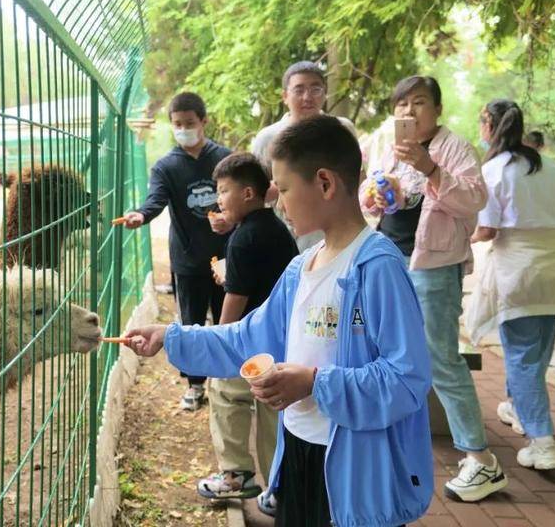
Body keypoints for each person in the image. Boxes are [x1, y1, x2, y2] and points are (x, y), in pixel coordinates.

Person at [126, 116, 434, 527]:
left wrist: (313, 382)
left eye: (284, 188)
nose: (278, 199)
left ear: (324, 183)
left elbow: (407, 379)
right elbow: (247, 339)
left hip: (354, 469)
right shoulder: (300, 268)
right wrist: (170, 336)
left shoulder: (377, 269)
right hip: (298, 452)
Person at [360, 75, 507, 502]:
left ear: (437, 109)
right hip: (388, 259)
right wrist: (373, 197)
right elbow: (369, 196)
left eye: (419, 103)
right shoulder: (388, 146)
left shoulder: (456, 148)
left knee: (441, 359)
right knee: (382, 350)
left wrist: (430, 169)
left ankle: (480, 460)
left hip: (434, 266)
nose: (408, 113)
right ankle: (384, 442)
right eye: (401, 105)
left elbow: (474, 200)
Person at [466, 100, 555, 469]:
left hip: (519, 273)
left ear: (489, 124)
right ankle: (517, 407)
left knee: (522, 358)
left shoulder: (495, 169)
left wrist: (462, 238)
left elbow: (488, 229)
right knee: (535, 355)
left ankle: (542, 442)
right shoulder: (548, 166)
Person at [196, 152, 297, 501]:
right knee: (273, 411)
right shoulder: (274, 229)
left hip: (250, 342)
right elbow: (262, 279)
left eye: (223, 191)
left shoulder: (241, 240)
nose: (218, 199)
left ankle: (237, 473)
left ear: (248, 194)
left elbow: (236, 301)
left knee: (226, 392)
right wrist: (231, 275)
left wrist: (220, 341)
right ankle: (279, 488)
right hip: (282, 338)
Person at [123, 92, 231, 411]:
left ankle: (229, 380)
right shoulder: (166, 167)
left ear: (204, 122)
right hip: (188, 259)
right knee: (191, 322)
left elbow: (242, 198)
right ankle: (195, 385)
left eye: (190, 123)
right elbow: (155, 200)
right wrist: (141, 215)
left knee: (229, 319)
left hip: (226, 257)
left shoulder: (223, 159)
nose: (184, 129)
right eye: (177, 124)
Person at [250, 61, 356, 255]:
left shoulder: (342, 129)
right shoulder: (267, 138)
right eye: (299, 90)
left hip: (337, 237)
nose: (307, 97)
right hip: (285, 240)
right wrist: (287, 187)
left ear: (325, 93)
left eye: (315, 89)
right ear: (285, 96)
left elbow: (357, 178)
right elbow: (254, 194)